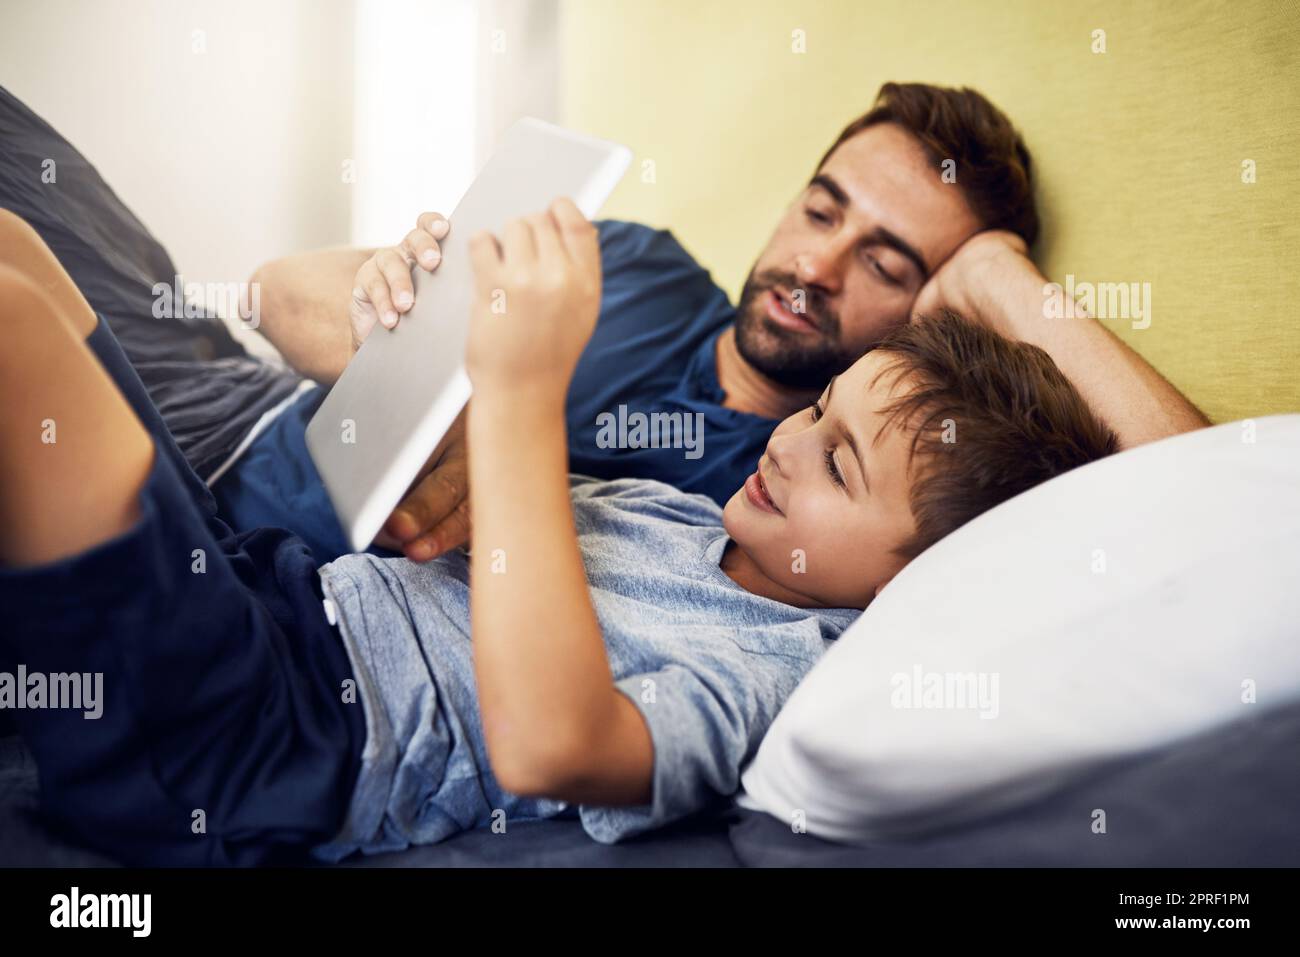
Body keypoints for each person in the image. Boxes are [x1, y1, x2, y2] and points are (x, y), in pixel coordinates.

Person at [0, 201, 1115, 866]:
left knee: (9, 328)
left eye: (838, 462)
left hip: (254, 737)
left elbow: (551, 743)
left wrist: (525, 397)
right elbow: (487, 540)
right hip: (271, 597)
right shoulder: (692, 515)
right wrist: (438, 404)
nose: (786, 445)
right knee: (22, 250)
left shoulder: (780, 673)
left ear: (912, 585)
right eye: (818, 414)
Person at [224, 82, 1206, 563]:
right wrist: (389, 304)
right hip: (243, 410)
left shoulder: (796, 488)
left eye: (884, 261)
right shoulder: (635, 259)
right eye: (822, 211)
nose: (816, 266)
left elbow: (1216, 515)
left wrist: (1000, 281)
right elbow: (269, 292)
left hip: (268, 539)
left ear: (930, 312)